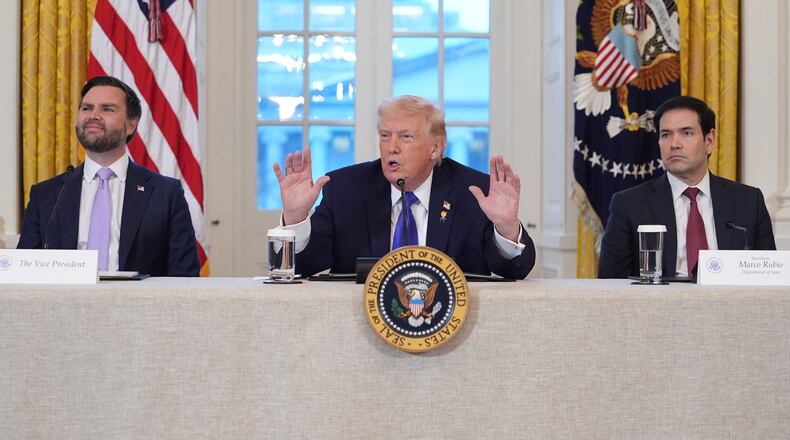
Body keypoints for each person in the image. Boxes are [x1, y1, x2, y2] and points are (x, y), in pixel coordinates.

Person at [272, 95, 536, 279]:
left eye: (406, 136)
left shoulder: (473, 191)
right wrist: (295, 218)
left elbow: (515, 270)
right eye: (385, 136)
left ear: (435, 147)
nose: (392, 146)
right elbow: (302, 266)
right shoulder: (345, 189)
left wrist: (507, 228)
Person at [18, 75, 200, 277]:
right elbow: (25, 274)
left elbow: (184, 276)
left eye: (107, 109)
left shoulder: (165, 194)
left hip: (139, 307)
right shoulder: (46, 195)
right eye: (86, 108)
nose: (93, 115)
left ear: (131, 125)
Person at [598, 95, 776, 278]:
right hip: (660, 304)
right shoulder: (629, 204)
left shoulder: (748, 201)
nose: (674, 144)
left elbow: (770, 276)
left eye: (686, 133)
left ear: (709, 141)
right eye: (666, 135)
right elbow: (610, 283)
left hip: (730, 302)